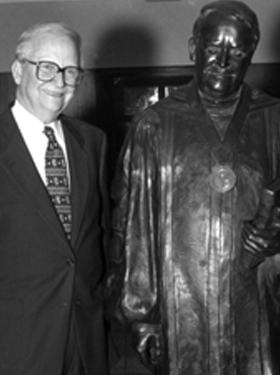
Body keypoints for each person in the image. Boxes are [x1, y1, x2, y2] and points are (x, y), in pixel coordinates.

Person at [107, 1, 280, 374]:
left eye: (236, 51)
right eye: (213, 47)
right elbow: (135, 226)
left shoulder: (274, 120)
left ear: (251, 54)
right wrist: (143, 314)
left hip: (257, 304)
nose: (222, 60)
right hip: (182, 306)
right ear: (193, 48)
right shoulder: (155, 126)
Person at [0, 23, 109, 375]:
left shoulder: (93, 142)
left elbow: (102, 237)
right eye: (46, 67)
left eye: (70, 71)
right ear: (18, 71)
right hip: (15, 346)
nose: (60, 82)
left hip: (86, 343)